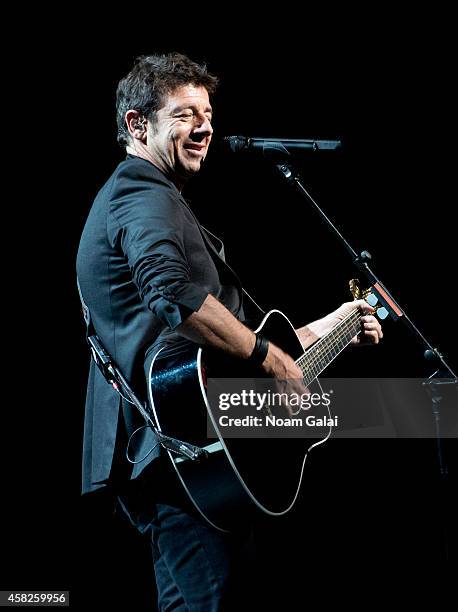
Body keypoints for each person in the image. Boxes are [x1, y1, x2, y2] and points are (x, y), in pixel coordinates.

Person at [76, 52, 383, 610]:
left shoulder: (155, 198)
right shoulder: (140, 193)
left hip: (191, 457)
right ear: (137, 124)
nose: (207, 126)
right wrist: (269, 357)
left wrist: (333, 326)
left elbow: (231, 345)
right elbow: (171, 292)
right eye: (187, 114)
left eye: (209, 113)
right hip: (183, 455)